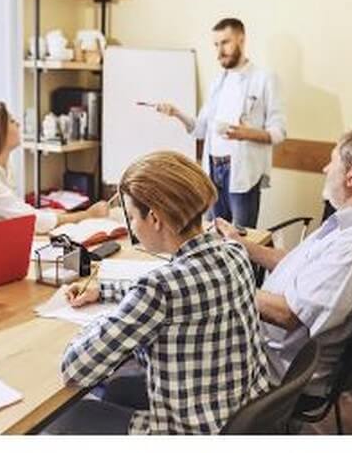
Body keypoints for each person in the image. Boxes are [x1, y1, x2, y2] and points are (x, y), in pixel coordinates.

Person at [45, 151, 270, 434]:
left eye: (130, 217)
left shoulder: (158, 290)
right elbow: (186, 292)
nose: (132, 229)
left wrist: (104, 319)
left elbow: (75, 367)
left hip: (188, 432)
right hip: (237, 414)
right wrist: (104, 291)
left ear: (154, 218)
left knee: (68, 419)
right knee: (117, 388)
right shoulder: (233, 252)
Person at [215, 128, 352, 397]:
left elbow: (288, 314)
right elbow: (294, 263)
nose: (326, 169)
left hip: (279, 368)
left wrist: (217, 285)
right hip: (277, 347)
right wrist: (239, 243)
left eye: (333, 161)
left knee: (183, 326)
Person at [156, 17, 286, 228]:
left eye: (225, 43)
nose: (219, 52)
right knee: (213, 234)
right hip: (213, 170)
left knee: (242, 240)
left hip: (242, 172)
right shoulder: (217, 82)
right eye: (216, 45)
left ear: (241, 40)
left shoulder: (264, 79)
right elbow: (200, 129)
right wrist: (176, 113)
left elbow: (279, 132)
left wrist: (245, 134)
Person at [0, 100, 108, 233]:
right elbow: (33, 221)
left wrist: (57, 215)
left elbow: (22, 213)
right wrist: (88, 214)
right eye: (11, 121)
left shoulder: (2, 170)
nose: (18, 123)